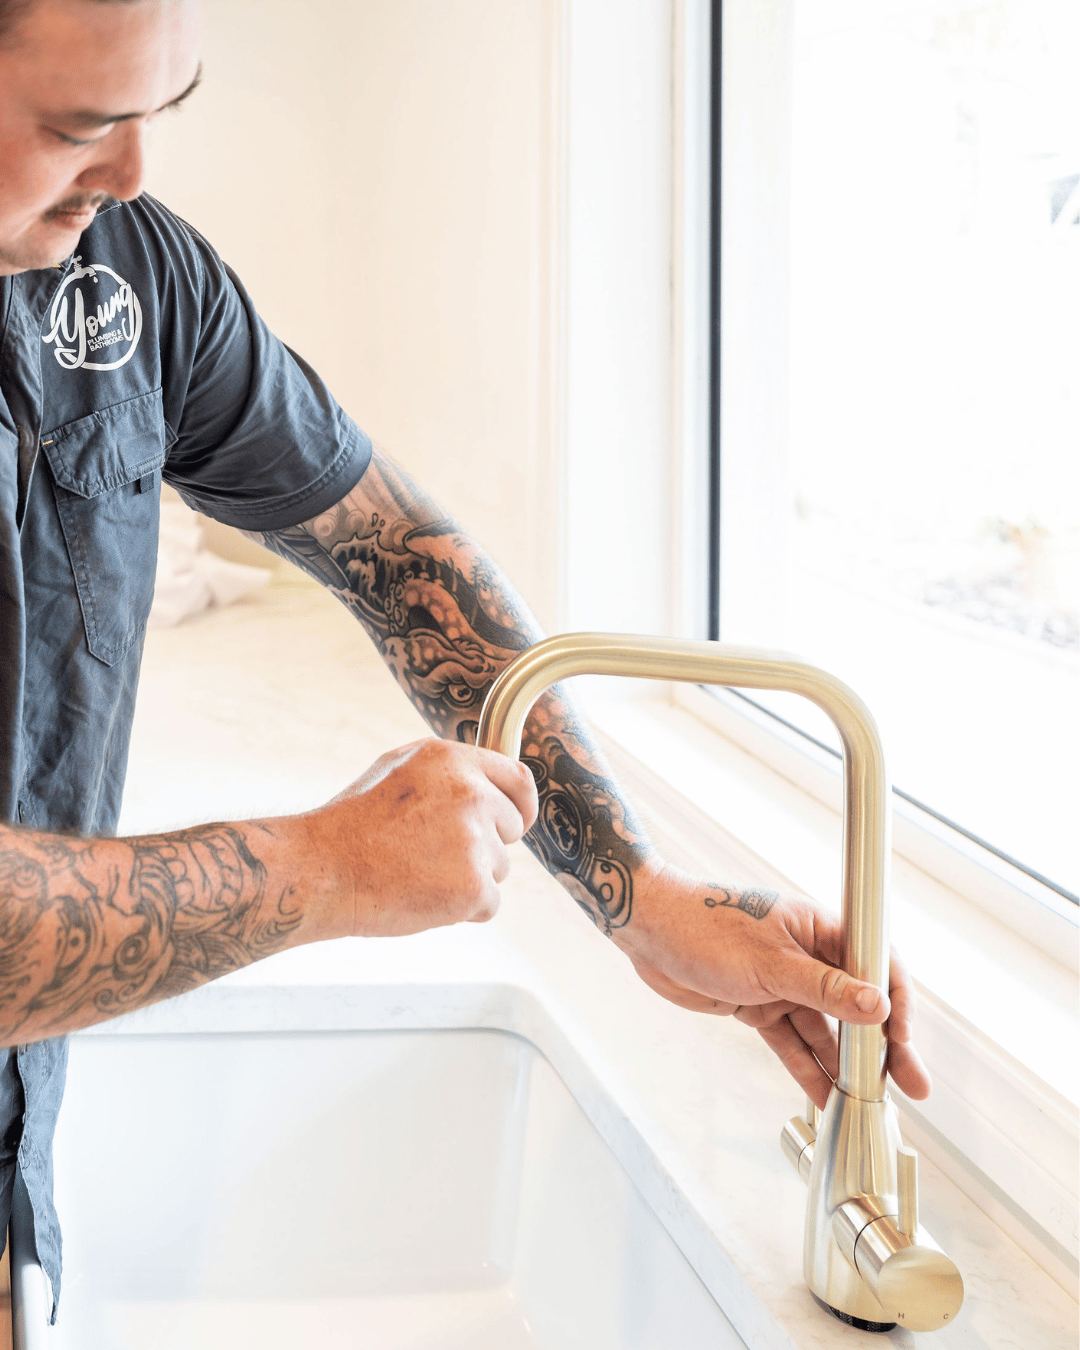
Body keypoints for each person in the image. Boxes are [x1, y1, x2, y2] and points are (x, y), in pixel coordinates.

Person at [0, 0, 930, 1320]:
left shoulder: (126, 276)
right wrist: (328, 863)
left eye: (167, 106)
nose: (137, 171)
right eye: (77, 126)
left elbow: (390, 546)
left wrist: (640, 899)